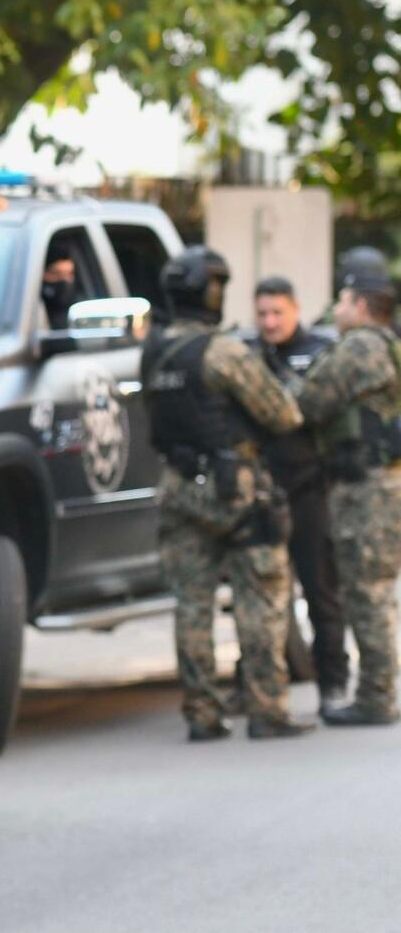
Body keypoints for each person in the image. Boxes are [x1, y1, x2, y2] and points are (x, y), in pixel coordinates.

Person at [140, 245, 308, 741]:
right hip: (235, 488)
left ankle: (202, 714)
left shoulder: (152, 350)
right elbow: (284, 414)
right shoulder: (223, 351)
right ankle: (266, 710)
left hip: (177, 487)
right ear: (213, 293)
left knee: (191, 604)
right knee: (261, 597)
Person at [294, 248, 401, 727]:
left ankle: (376, 697)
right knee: (376, 589)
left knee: (366, 591)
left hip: (365, 487)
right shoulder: (391, 345)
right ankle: (377, 690)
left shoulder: (359, 347)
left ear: (359, 304)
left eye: (341, 300)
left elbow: (310, 402)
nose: (336, 310)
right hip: (384, 481)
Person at [249, 276, 346, 704]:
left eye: (277, 313)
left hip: (310, 489)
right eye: (263, 313)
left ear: (295, 309)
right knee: (260, 597)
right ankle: (264, 690)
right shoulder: (247, 356)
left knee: (321, 591)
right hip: (264, 492)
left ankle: (333, 684)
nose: (270, 322)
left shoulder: (321, 351)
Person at [41, 238, 83, 330]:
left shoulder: (81, 309)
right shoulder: (28, 309)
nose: (64, 280)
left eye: (69, 274)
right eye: (56, 273)